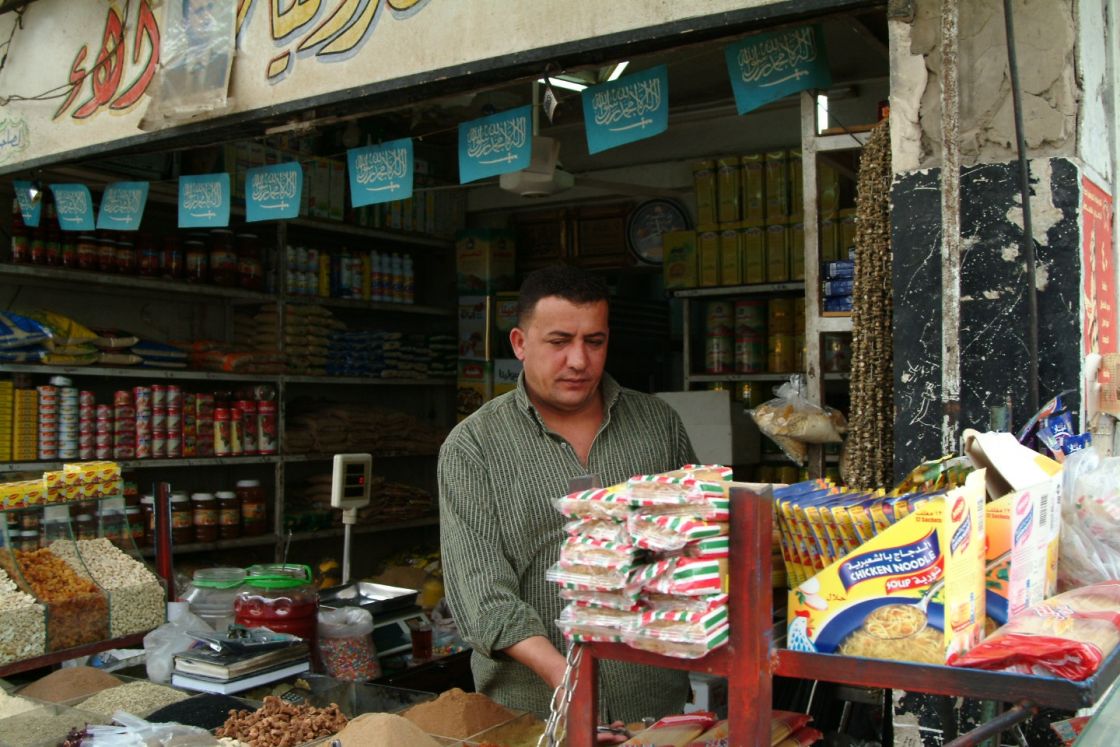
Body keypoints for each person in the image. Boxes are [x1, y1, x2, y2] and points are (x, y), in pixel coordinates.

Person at [439, 264, 696, 728]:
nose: (578, 361)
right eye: (559, 342)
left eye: (593, 342)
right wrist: (567, 675)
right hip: (531, 713)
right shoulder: (474, 446)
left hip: (652, 704)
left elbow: (693, 551)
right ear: (519, 344)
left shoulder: (658, 425)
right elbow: (482, 596)